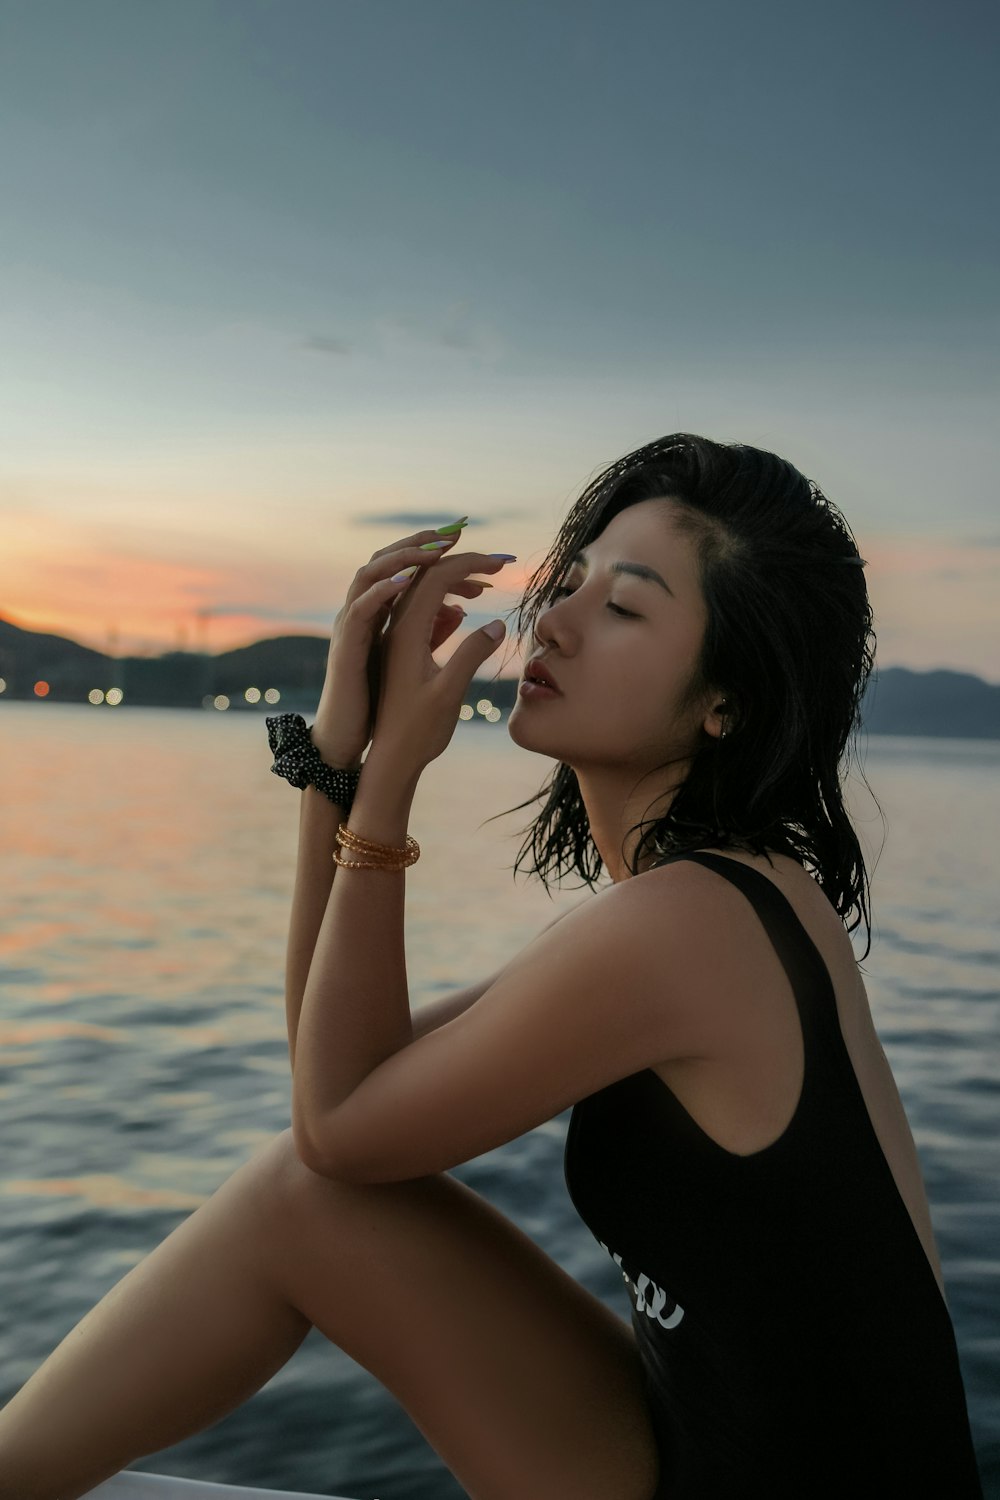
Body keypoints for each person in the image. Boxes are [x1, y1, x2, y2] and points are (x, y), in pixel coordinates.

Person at [0, 433, 982, 1499]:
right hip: (718, 1457)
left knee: (306, 1193)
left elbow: (332, 1130)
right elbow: (340, 1086)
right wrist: (335, 767)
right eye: (570, 580)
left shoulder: (692, 926)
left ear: (724, 701)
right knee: (312, 1195)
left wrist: (387, 786)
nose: (546, 620)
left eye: (623, 605)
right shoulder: (722, 898)